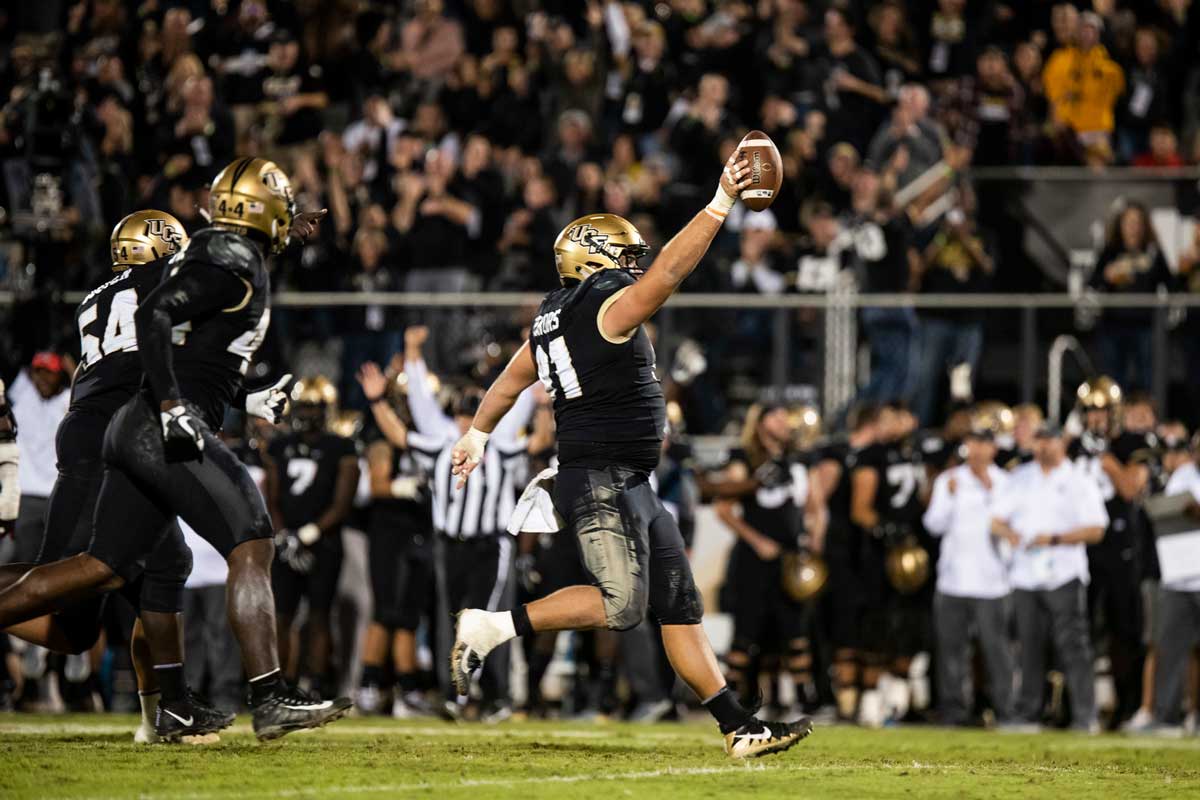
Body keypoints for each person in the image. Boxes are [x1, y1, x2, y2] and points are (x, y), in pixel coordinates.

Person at [447, 150, 813, 758]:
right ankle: (492, 627)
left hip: (625, 479)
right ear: (592, 259)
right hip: (600, 478)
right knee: (622, 606)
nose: (634, 266)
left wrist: (478, 434)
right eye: (625, 256)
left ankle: (738, 725)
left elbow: (513, 379)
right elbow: (667, 276)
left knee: (679, 606)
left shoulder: (552, 317)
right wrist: (720, 202)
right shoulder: (603, 309)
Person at [0, 158, 350, 741]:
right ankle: (268, 695)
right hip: (155, 423)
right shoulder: (207, 263)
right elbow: (160, 313)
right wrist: (172, 407)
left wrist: (243, 397)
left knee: (100, 570)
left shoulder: (200, 261)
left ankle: (172, 707)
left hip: (123, 424)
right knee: (253, 540)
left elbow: (201, 321)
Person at [991, 422, 1108, 732]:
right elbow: (996, 521)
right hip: (1026, 576)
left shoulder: (1078, 480)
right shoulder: (1019, 478)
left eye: (1050, 441)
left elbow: (1096, 529)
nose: (1044, 447)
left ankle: (1085, 714)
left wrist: (1054, 539)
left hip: (1064, 574)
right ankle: (1027, 713)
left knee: (1074, 646)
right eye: (1040, 441)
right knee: (1028, 646)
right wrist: (1010, 534)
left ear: (1062, 444)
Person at [714, 404, 815, 717]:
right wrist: (758, 541)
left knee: (794, 630)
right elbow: (724, 509)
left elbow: (809, 505)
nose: (784, 422)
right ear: (758, 424)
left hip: (789, 558)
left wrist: (810, 537)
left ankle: (803, 699)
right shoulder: (744, 458)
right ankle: (728, 702)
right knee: (746, 631)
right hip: (754, 559)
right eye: (776, 417)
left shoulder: (794, 460)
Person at [261, 377, 359, 694]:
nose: (308, 413)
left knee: (320, 613)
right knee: (282, 614)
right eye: (304, 405)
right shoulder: (278, 446)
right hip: (286, 540)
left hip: (324, 541)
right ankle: (280, 684)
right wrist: (284, 536)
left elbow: (343, 503)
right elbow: (270, 497)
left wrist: (304, 536)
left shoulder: (341, 446)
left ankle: (315, 682)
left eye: (314, 407)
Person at [355, 362, 438, 718]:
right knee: (386, 611)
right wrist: (402, 487)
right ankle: (371, 686)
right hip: (389, 531)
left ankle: (406, 689)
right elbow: (377, 483)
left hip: (417, 531)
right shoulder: (382, 433)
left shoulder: (428, 432)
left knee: (408, 614)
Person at [923, 426, 1014, 726]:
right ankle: (954, 712)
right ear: (966, 445)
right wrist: (949, 499)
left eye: (984, 443)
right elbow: (933, 525)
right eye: (973, 442)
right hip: (953, 582)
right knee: (951, 652)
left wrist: (989, 493)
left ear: (994, 449)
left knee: (996, 652)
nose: (978, 449)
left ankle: (1005, 711)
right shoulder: (949, 480)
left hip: (993, 583)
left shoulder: (1005, 482)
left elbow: (1012, 527)